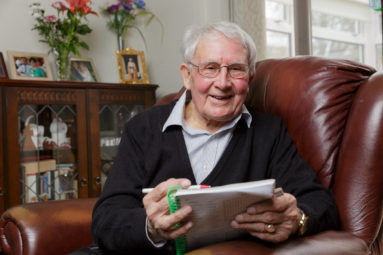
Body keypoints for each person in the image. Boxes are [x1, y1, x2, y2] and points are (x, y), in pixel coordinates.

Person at [73, 21, 339, 255]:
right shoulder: (142, 128)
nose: (223, 82)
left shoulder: (269, 132)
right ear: (187, 76)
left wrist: (297, 220)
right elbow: (106, 218)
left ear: (250, 78)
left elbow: (320, 203)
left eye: (236, 69)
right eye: (210, 68)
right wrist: (151, 227)